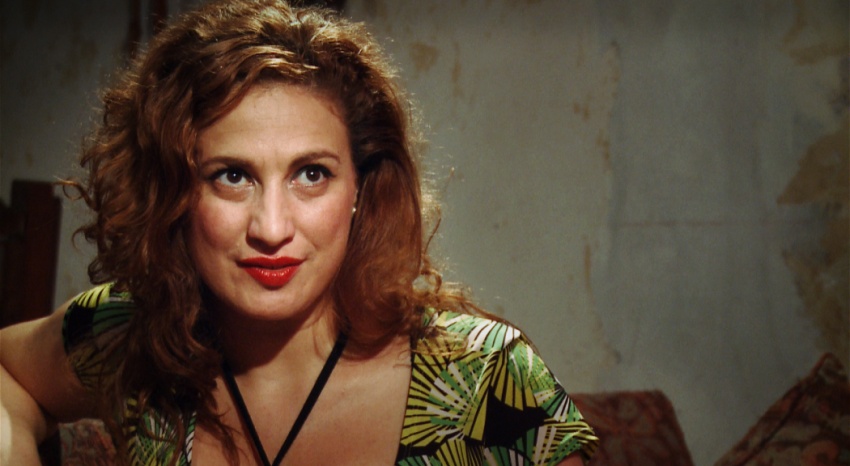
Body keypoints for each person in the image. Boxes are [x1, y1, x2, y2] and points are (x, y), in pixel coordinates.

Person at [0, 1, 598, 464]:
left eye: (311, 174)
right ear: (175, 193)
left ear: (361, 188)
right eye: (232, 176)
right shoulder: (131, 334)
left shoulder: (487, 377)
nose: (272, 228)